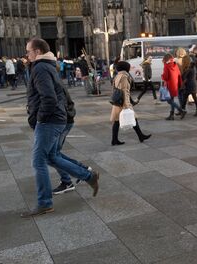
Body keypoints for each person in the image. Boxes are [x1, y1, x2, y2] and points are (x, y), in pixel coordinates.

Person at [21, 37, 99, 218]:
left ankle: (44, 203)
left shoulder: (40, 68)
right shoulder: (47, 65)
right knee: (51, 156)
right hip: (56, 118)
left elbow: (48, 98)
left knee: (38, 161)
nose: (27, 54)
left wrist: (39, 119)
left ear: (37, 52)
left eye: (29, 51)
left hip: (49, 120)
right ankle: (88, 176)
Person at [51, 87, 93, 194]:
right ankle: (82, 170)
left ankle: (69, 180)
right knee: (54, 154)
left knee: (52, 155)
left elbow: (54, 103)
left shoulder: (50, 81)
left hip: (60, 122)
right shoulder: (55, 79)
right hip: (64, 121)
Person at [110, 61, 152, 145]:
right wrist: (127, 105)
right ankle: (140, 136)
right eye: (129, 67)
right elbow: (125, 91)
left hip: (118, 101)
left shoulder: (117, 76)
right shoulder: (124, 76)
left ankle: (115, 140)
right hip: (123, 102)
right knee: (132, 118)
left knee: (117, 121)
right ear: (125, 68)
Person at [162, 54, 186, 120]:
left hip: (169, 85)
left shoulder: (166, 66)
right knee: (171, 100)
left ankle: (181, 111)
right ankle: (171, 115)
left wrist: (162, 76)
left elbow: (165, 77)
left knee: (169, 100)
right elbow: (179, 74)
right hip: (175, 85)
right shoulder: (175, 65)